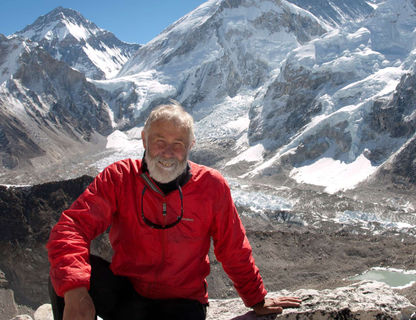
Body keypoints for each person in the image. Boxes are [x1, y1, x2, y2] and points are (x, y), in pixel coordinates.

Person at [47, 100, 301, 320]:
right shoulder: (120, 177)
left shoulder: (211, 186)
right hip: (127, 296)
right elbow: (72, 228)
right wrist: (76, 292)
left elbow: (233, 247)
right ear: (144, 139)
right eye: (159, 141)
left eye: (178, 143)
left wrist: (256, 298)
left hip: (182, 303)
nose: (167, 153)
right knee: (67, 275)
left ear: (191, 146)